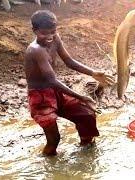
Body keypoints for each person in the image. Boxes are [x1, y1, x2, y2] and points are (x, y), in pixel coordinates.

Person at [25, 10, 114, 156]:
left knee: (86, 114)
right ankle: (48, 162)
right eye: (44, 33)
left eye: (52, 32)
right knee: (54, 139)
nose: (49, 37)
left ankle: (86, 152)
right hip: (40, 98)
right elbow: (51, 80)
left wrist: (93, 73)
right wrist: (80, 96)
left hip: (56, 91)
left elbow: (69, 61)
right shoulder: (35, 50)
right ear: (34, 30)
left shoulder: (55, 38)